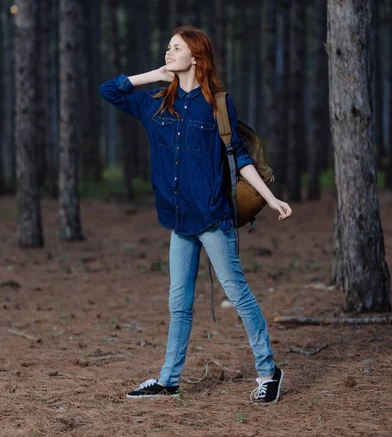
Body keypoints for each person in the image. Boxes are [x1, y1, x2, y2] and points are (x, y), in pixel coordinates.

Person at [99, 26, 292, 405]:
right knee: (179, 302)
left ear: (197, 57)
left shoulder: (217, 104)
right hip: (178, 220)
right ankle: (169, 380)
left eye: (176, 48)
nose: (168, 52)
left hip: (213, 218)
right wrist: (155, 75)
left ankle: (269, 372)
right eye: (167, 46)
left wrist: (270, 199)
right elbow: (110, 90)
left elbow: (239, 155)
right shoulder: (156, 102)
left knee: (237, 294)